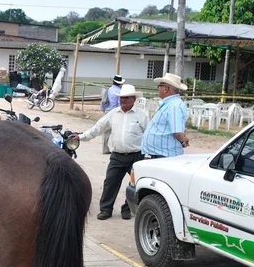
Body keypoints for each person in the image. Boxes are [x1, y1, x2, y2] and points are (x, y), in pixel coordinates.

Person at [72, 84, 149, 220]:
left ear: (133, 99)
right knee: (110, 182)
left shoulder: (141, 115)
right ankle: (106, 209)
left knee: (136, 184)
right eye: (121, 98)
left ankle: (127, 208)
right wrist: (81, 137)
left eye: (126, 98)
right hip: (117, 156)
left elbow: (149, 135)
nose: (123, 100)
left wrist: (147, 155)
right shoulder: (113, 114)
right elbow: (98, 128)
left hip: (136, 155)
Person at [141, 73, 190, 159]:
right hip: (158, 153)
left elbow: (177, 132)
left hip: (164, 154)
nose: (158, 89)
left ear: (166, 89)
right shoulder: (169, 104)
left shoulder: (174, 106)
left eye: (159, 86)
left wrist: (183, 141)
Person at [100, 75, 125, 154]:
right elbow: (119, 103)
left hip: (107, 112)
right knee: (116, 131)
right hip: (115, 112)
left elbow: (102, 101)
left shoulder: (107, 90)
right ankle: (116, 148)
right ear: (120, 83)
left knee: (106, 131)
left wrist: (103, 109)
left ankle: (105, 148)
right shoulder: (120, 91)